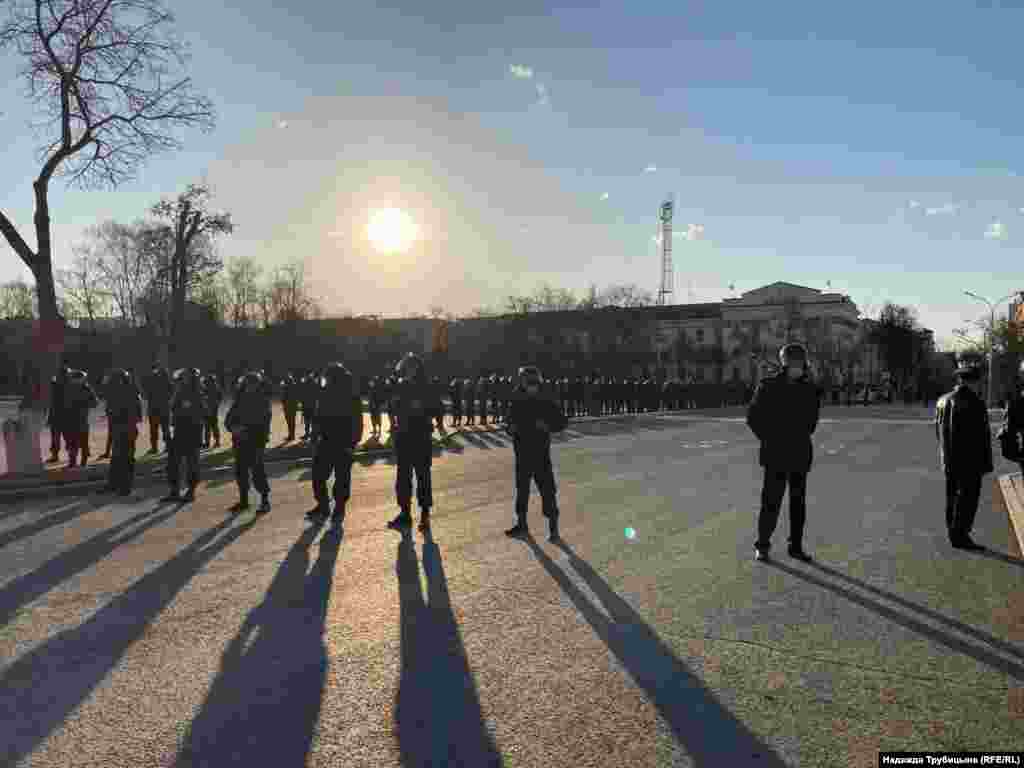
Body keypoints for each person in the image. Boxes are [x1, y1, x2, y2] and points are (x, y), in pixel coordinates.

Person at [746, 343, 820, 562]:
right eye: (794, 361)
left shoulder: (809, 388)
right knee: (771, 501)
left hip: (798, 452)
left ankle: (795, 546)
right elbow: (753, 417)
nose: (797, 365)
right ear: (785, 362)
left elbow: (812, 422)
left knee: (798, 503)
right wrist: (770, 438)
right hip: (776, 452)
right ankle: (763, 544)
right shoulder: (768, 386)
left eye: (800, 361)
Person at [504, 366, 568, 541]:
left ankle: (553, 529)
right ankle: (522, 525)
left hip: (540, 454)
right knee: (522, 490)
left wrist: (547, 426)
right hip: (522, 453)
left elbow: (562, 422)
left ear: (538, 382)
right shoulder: (517, 398)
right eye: (526, 382)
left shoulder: (546, 400)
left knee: (547, 490)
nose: (529, 385)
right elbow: (508, 421)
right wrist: (510, 428)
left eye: (532, 382)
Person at [935, 363, 993, 551]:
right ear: (974, 382)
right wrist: (985, 462)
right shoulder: (974, 402)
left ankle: (953, 532)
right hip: (970, 460)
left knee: (951, 496)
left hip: (949, 457)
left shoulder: (943, 400)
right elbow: (980, 436)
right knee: (968, 499)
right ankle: (961, 535)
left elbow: (938, 431)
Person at [386, 353, 443, 533]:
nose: (409, 370)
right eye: (407, 367)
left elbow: (438, 408)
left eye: (412, 366)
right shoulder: (401, 385)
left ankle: (425, 515)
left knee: (423, 477)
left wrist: (423, 408)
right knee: (403, 478)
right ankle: (405, 513)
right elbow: (393, 406)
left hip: (421, 438)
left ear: (418, 368)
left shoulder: (426, 386)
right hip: (404, 438)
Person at [305, 362, 364, 527]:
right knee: (318, 475)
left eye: (328, 377)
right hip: (325, 441)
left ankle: (339, 506)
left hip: (344, 443)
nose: (326, 379)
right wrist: (314, 436)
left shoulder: (351, 395)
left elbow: (357, 421)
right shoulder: (324, 393)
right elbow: (318, 417)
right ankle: (323, 505)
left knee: (342, 477)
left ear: (335, 378)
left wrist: (352, 443)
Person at [225, 371, 273, 514]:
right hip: (240, 441)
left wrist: (245, 429)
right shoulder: (239, 399)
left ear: (258, 385)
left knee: (258, 472)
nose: (249, 386)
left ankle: (265, 501)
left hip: (256, 441)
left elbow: (263, 422)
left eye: (253, 384)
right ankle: (244, 501)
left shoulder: (263, 400)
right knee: (241, 472)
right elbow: (229, 419)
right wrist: (233, 428)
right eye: (247, 383)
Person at [161, 368, 205, 503]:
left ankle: (191, 491)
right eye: (181, 378)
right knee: (173, 463)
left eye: (185, 378)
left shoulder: (197, 393)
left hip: (192, 431)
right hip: (179, 431)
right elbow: (173, 411)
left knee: (192, 463)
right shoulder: (179, 392)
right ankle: (174, 491)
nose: (181, 380)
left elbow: (201, 412)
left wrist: (186, 411)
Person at [98, 369, 143, 496]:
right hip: (119, 429)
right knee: (117, 458)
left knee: (126, 459)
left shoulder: (130, 393)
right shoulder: (115, 393)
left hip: (127, 430)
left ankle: (125, 487)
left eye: (114, 380)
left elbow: (136, 415)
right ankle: (113, 484)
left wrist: (120, 417)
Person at [64, 370, 98, 468]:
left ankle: (78, 462)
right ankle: (76, 462)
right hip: (75, 419)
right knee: (76, 441)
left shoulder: (83, 388)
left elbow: (94, 403)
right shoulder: (81, 388)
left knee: (79, 441)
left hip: (79, 418)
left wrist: (84, 404)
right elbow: (94, 403)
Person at [142, 363, 173, 454]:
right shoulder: (165, 378)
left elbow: (146, 393)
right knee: (164, 429)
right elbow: (171, 391)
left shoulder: (151, 379)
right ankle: (167, 447)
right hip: (163, 407)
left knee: (155, 429)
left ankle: (155, 448)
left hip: (155, 408)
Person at [46, 365, 71, 463]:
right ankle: (70, 456)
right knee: (67, 437)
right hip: (64, 415)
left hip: (58, 415)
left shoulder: (55, 384)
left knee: (58, 437)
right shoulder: (69, 385)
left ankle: (56, 455)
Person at [202, 374, 223, 449]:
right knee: (211, 427)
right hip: (210, 410)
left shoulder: (212, 388)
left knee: (210, 427)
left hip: (211, 410)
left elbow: (219, 399)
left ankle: (212, 442)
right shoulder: (214, 388)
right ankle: (213, 442)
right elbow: (219, 399)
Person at [281, 371, 300, 442]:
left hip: (289, 405)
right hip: (292, 405)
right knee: (291, 421)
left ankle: (291, 435)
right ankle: (291, 435)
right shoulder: (294, 386)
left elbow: (284, 397)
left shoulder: (286, 387)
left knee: (290, 421)